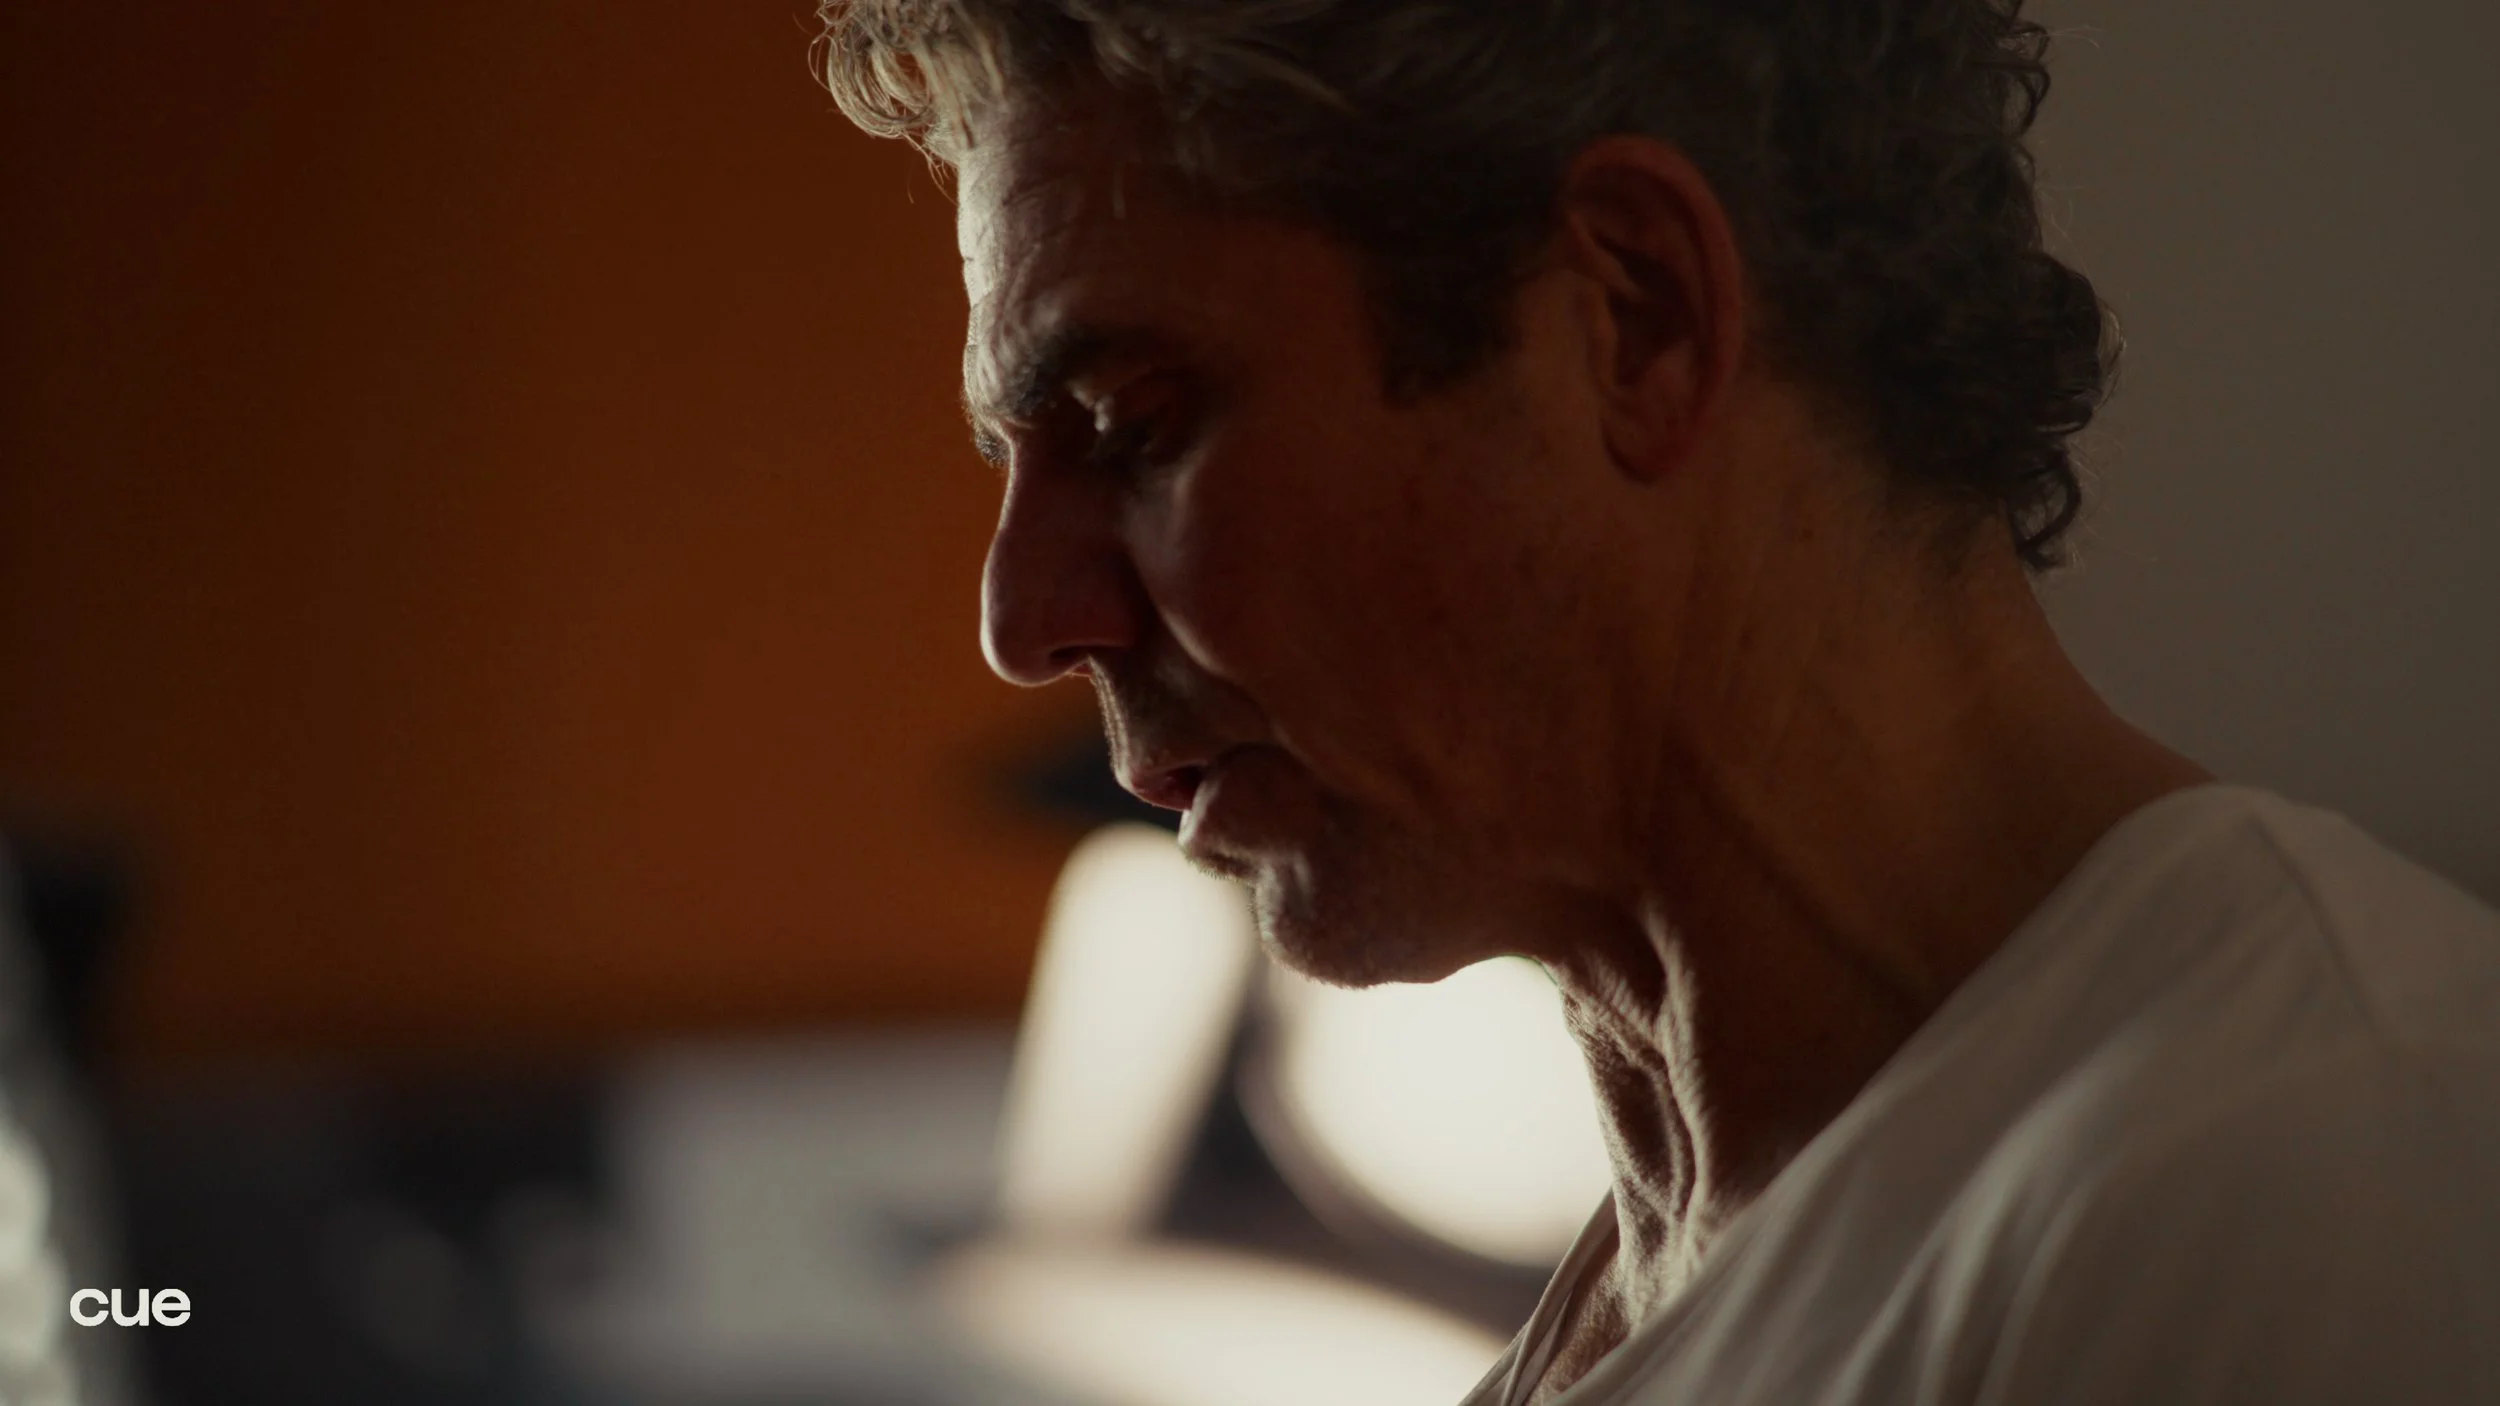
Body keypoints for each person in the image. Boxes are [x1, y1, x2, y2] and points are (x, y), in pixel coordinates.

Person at [813, 2, 2500, 1401]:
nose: (1023, 623)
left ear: (1638, 318)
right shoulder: (1668, 1299)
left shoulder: (2307, 1183)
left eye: (1138, 422)